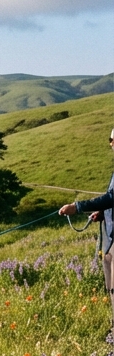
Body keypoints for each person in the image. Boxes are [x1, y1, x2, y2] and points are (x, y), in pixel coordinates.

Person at [58, 127, 114, 320]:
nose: (112, 144)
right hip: (110, 236)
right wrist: (103, 212)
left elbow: (112, 197)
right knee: (110, 285)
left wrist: (78, 207)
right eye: (111, 140)